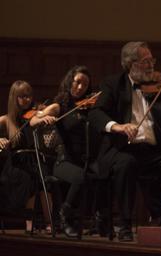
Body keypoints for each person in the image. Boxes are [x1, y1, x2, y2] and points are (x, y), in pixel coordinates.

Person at [88, 41, 161, 241]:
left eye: (152, 60)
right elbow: (96, 113)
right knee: (127, 164)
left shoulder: (159, 87)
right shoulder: (113, 84)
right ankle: (124, 225)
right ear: (130, 64)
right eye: (145, 61)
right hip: (123, 150)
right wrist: (118, 126)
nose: (151, 65)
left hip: (154, 152)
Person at [28, 66, 100, 238]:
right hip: (63, 161)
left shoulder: (89, 107)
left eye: (85, 84)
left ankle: (100, 219)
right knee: (81, 177)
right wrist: (42, 118)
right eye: (77, 82)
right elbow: (32, 121)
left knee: (103, 174)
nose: (81, 87)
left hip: (84, 159)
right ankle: (64, 216)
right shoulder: (59, 106)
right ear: (70, 82)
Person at [0, 81, 56, 232]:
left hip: (35, 159)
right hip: (16, 163)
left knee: (45, 181)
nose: (27, 99)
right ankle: (29, 223)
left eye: (29, 96)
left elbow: (44, 114)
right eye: (22, 96)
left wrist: (43, 116)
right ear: (14, 98)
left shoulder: (32, 115)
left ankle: (50, 223)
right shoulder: (5, 120)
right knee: (29, 179)